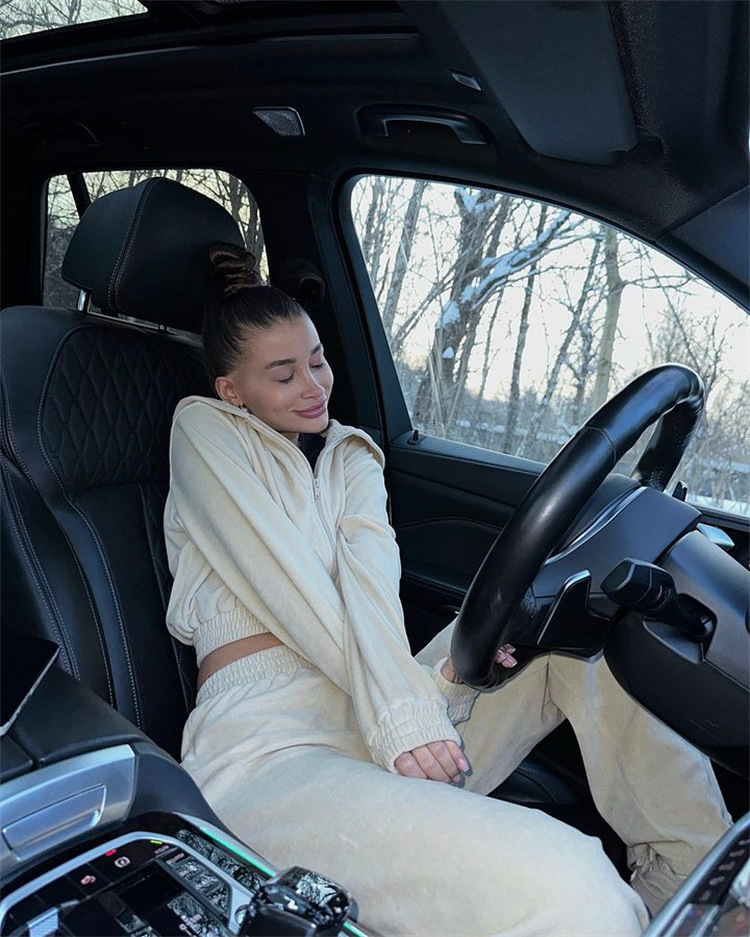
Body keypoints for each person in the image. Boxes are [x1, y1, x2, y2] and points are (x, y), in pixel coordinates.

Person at [164, 242, 731, 937]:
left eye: (318, 360)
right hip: (267, 747)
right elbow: (292, 586)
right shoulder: (205, 429)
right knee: (574, 891)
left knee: (587, 635)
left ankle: (703, 896)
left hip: (372, 699)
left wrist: (443, 682)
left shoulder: (351, 453)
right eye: (284, 374)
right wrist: (403, 712)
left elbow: (370, 583)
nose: (313, 386)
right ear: (232, 390)